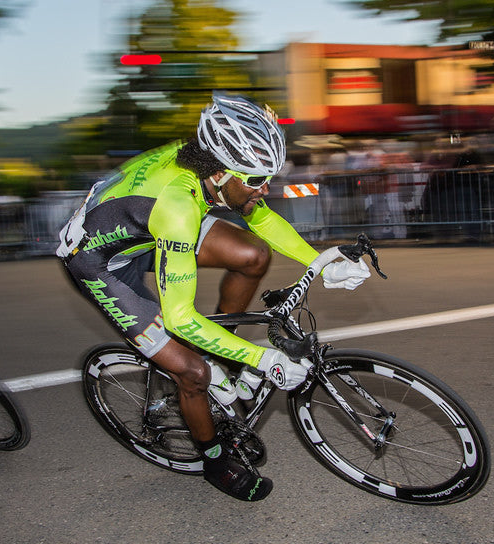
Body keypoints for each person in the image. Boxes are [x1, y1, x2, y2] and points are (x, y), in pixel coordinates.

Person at [57, 93, 370, 501]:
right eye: (256, 179)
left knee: (253, 254)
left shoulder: (206, 164)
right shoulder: (178, 207)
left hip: (141, 230)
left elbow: (258, 217)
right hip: (97, 263)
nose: (266, 189)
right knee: (193, 373)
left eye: (268, 177)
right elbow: (180, 318)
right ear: (220, 174)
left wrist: (322, 263)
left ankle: (220, 354)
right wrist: (262, 357)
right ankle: (215, 460)